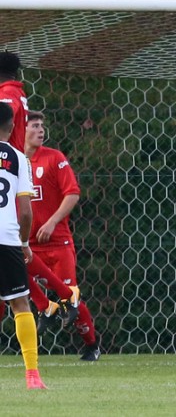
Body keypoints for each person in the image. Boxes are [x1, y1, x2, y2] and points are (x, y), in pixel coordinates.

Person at [0, 51, 80, 332]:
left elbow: (5, 116)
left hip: (8, 164)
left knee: (13, 249)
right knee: (15, 253)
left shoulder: (8, 94)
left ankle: (57, 299)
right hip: (12, 164)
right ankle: (56, 299)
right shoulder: (13, 90)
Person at [25, 111, 100, 361]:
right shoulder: (12, 161)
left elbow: (73, 194)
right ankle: (44, 308)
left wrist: (52, 221)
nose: (40, 130)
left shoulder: (54, 158)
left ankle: (91, 345)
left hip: (58, 243)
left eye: (42, 126)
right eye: (34, 126)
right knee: (14, 283)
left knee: (71, 297)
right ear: (20, 130)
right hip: (28, 247)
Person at [0, 102, 47, 389]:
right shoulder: (18, 158)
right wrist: (25, 243)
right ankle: (32, 376)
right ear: (13, 127)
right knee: (20, 304)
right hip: (7, 239)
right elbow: (26, 212)